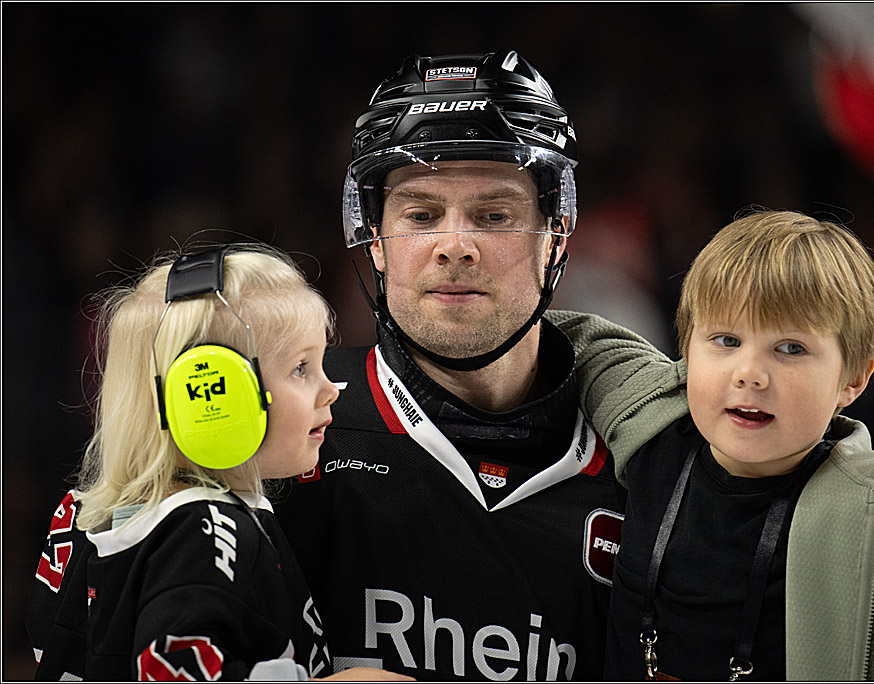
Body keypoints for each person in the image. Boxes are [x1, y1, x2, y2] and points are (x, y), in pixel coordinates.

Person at [274, 51, 629, 680]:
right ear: (375, 241)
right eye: (420, 215)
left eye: (494, 216)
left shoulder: (644, 465)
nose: (455, 246)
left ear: (557, 237)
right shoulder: (277, 431)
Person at [551, 210, 874, 680]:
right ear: (687, 350)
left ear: (854, 379)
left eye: (791, 348)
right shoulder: (647, 413)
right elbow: (536, 337)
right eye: (726, 339)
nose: (749, 372)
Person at [26, 245, 412, 681]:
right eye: (302, 368)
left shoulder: (86, 517)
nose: (331, 388)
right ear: (214, 394)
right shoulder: (204, 534)